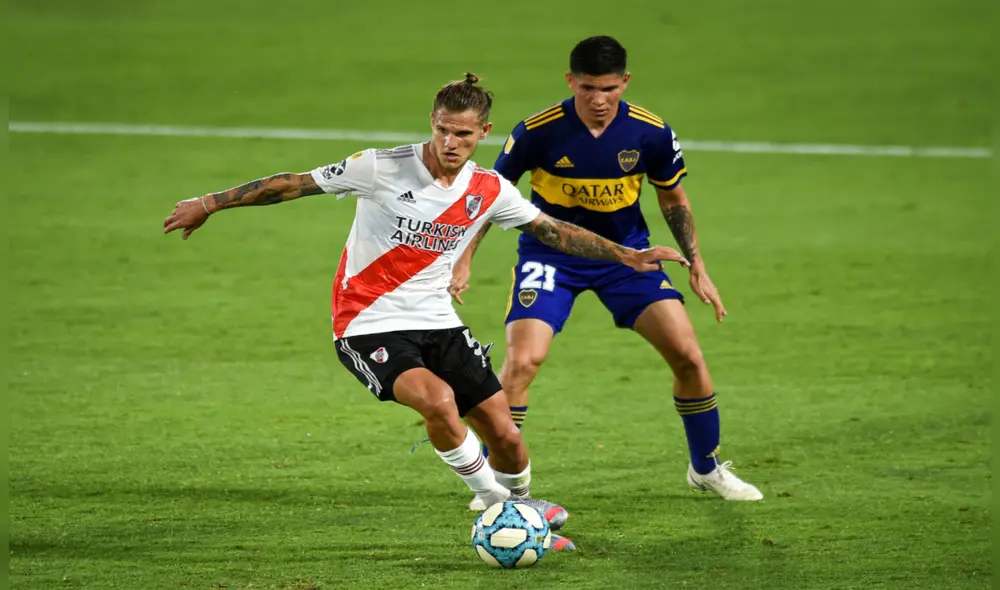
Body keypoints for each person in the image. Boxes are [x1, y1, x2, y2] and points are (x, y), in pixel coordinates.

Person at [163, 73, 690, 550]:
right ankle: (502, 509)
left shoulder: (489, 189)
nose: (450, 142)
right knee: (438, 401)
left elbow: (552, 231)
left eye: (463, 134)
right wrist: (210, 203)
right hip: (366, 321)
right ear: (431, 123)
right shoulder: (380, 167)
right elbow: (291, 184)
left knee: (506, 436)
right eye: (442, 130)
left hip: (438, 320)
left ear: (483, 132)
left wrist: (626, 255)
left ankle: (522, 503)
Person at [450, 38, 763, 508]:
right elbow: (491, 193)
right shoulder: (537, 132)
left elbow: (674, 200)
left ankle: (706, 468)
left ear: (625, 83)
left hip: (628, 258)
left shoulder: (651, 133)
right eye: (589, 88)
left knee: (688, 357)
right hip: (550, 257)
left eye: (610, 89)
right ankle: (499, 481)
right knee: (522, 362)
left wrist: (698, 266)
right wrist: (464, 256)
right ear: (570, 81)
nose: (599, 99)